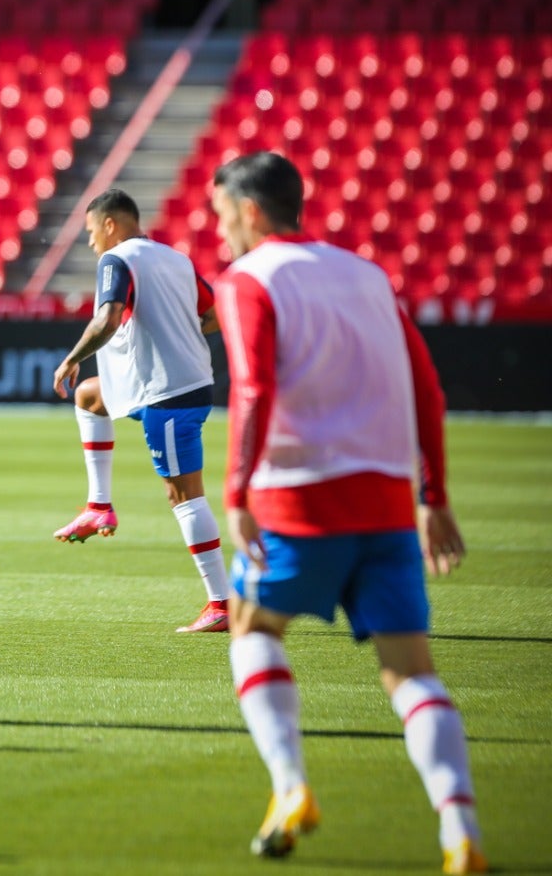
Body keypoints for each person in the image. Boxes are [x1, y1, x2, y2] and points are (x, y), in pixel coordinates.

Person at [210, 152, 483, 873]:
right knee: (411, 674)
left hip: (299, 498)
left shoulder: (249, 281)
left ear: (252, 212)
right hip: (389, 504)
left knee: (251, 626)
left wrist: (235, 493)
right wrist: (435, 496)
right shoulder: (368, 275)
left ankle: (291, 786)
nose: (221, 233)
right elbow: (428, 388)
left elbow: (252, 389)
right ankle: (461, 835)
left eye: (222, 217)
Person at [51, 188, 232, 633]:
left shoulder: (117, 260)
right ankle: (99, 506)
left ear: (110, 224)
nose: (91, 243)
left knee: (183, 494)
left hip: (169, 394)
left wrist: (72, 358)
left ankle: (221, 603)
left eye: (92, 232)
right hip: (170, 384)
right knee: (90, 398)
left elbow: (107, 318)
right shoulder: (175, 259)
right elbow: (213, 314)